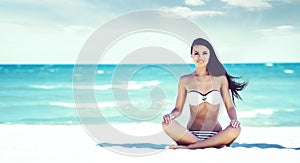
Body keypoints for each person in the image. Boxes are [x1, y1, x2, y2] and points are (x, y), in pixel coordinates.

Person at [162, 38, 248, 149]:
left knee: (236, 129)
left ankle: (192, 147)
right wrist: (170, 116)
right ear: (191, 55)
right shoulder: (185, 80)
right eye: (196, 53)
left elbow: (230, 107)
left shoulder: (220, 79)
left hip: (216, 134)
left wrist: (234, 120)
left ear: (210, 55)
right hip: (190, 135)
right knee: (166, 124)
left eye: (204, 53)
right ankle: (205, 144)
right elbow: (178, 109)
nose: (200, 57)